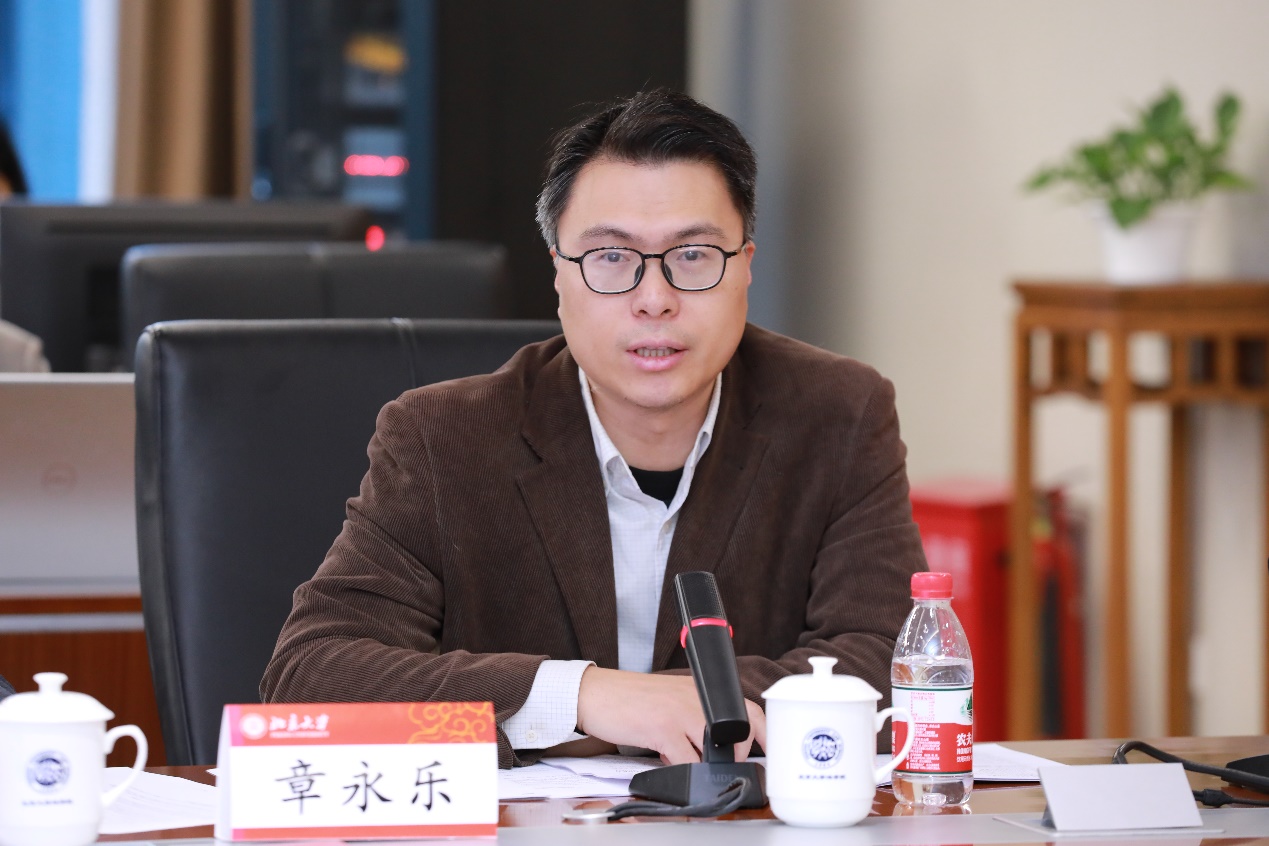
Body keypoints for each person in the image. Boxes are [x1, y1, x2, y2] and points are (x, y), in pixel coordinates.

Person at [262, 89, 926, 768]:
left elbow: (891, 663)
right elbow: (310, 675)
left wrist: (671, 704)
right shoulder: (442, 437)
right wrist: (582, 696)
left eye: (693, 255)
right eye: (611, 257)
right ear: (559, 273)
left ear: (745, 266)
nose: (654, 299)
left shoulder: (838, 415)